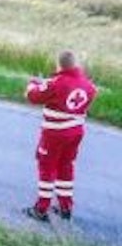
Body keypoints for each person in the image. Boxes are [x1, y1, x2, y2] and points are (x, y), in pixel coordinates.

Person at [23, 50, 97, 222]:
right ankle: (65, 206)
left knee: (46, 167)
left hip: (55, 133)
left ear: (59, 65)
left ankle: (41, 209)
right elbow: (87, 98)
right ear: (76, 64)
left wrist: (33, 83)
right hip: (76, 132)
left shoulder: (55, 83)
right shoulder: (88, 85)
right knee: (66, 165)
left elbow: (33, 97)